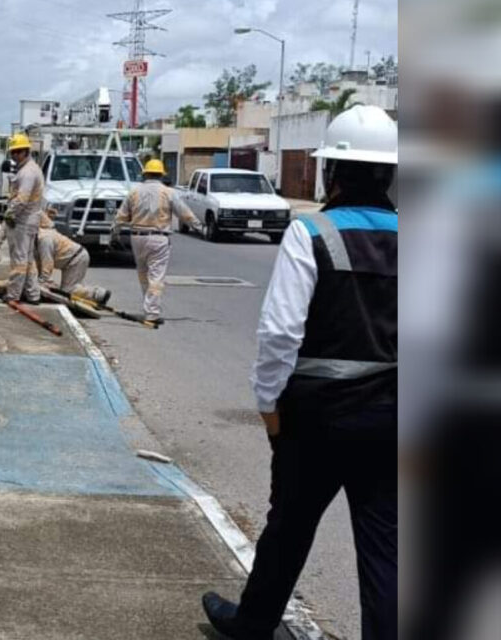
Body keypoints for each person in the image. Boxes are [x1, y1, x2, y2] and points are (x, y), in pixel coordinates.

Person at [201, 105, 398, 640]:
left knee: (289, 525)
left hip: (316, 419)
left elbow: (280, 334)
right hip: (392, 419)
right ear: (392, 173)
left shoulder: (311, 232)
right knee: (386, 545)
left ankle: (253, 624)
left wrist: (268, 405)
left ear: (331, 172)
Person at [111, 159, 203, 324]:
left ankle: (148, 308)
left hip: (137, 237)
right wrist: (198, 227)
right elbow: (184, 213)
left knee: (142, 273)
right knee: (156, 275)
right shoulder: (168, 192)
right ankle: (152, 313)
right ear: (161, 175)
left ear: (145, 174)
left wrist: (115, 234)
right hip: (158, 238)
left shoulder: (134, 192)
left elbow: (121, 216)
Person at [0, 133, 44, 304]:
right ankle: (33, 295)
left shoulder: (27, 172)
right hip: (29, 219)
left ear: (26, 151)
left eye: (18, 152)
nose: (15, 155)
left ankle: (14, 295)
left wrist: (10, 214)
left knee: (19, 260)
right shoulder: (30, 169)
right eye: (13, 152)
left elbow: (22, 199)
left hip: (24, 220)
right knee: (28, 260)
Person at [35, 212, 110, 305]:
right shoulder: (41, 236)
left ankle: (98, 294)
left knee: (68, 291)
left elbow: (47, 263)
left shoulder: (44, 239)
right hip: (73, 259)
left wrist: (43, 282)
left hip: (76, 259)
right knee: (71, 288)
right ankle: (90, 293)